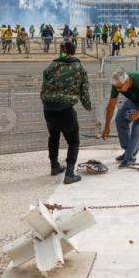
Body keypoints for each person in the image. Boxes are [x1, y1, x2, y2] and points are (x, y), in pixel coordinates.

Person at [40, 40, 92, 183]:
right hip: (65, 109)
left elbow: (44, 87)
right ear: (74, 50)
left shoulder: (51, 66)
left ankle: (54, 166)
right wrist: (89, 107)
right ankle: (69, 174)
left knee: (53, 136)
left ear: (61, 50)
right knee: (73, 142)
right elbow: (84, 92)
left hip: (48, 108)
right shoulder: (79, 67)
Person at [102, 68, 139, 167]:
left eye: (120, 87)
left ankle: (129, 158)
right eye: (116, 88)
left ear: (127, 82)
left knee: (137, 128)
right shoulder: (117, 84)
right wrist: (106, 126)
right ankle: (129, 150)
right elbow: (111, 105)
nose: (118, 90)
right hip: (134, 100)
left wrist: (138, 113)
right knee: (120, 119)